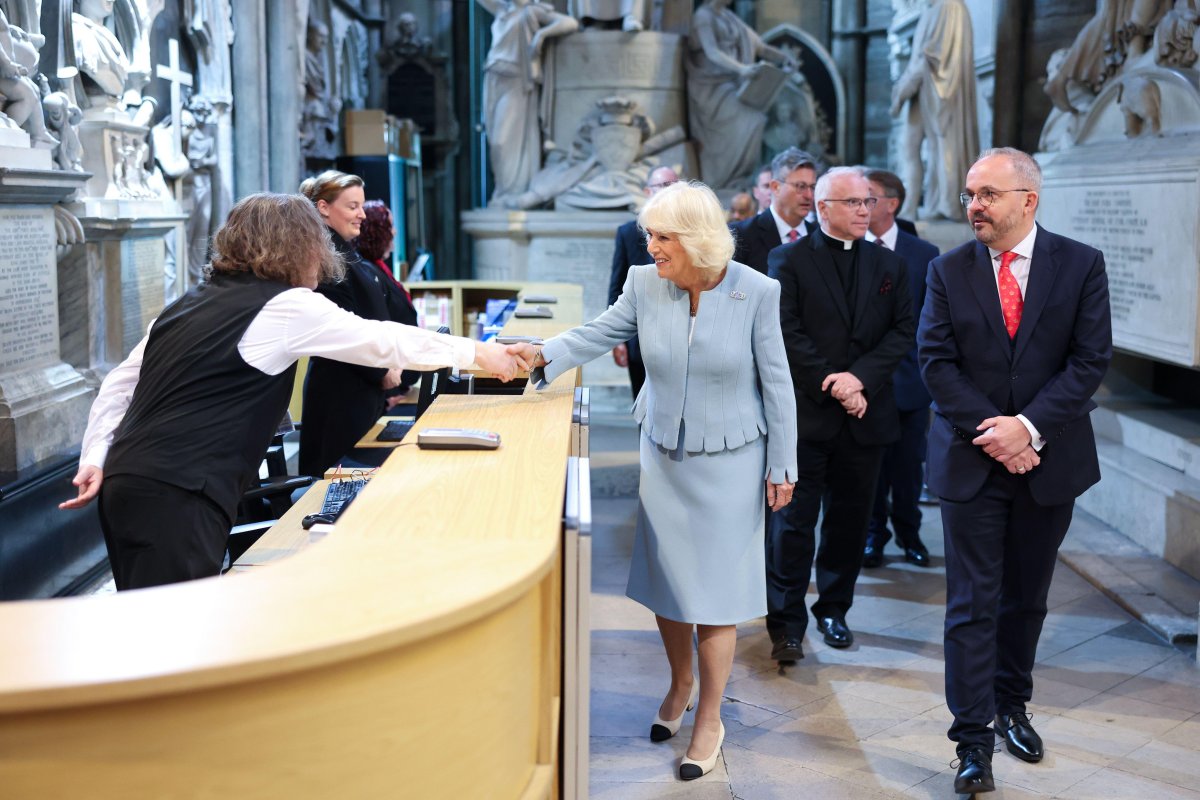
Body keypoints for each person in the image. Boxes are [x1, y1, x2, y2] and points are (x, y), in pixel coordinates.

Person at [59, 193, 526, 591]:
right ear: (301, 246)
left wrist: (96, 456)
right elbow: (383, 339)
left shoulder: (187, 303)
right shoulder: (286, 307)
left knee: (152, 636)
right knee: (176, 650)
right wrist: (482, 355)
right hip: (181, 494)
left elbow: (119, 385)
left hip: (126, 486)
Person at [524, 182, 797, 781]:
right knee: (670, 579)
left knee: (716, 593)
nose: (650, 247)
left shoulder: (757, 291)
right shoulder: (644, 283)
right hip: (663, 452)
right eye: (649, 234)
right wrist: (538, 352)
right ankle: (679, 685)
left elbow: (777, 382)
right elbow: (600, 332)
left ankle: (711, 718)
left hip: (732, 456)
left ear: (696, 239)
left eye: (662, 236)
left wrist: (784, 464)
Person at [918, 148, 1112, 794]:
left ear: (1028, 200)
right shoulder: (948, 271)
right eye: (971, 192)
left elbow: (1088, 362)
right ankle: (972, 743)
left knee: (1026, 599)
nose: (974, 204)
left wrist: (1026, 429)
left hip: (1049, 459)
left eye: (989, 193)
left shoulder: (1081, 265)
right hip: (970, 459)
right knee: (971, 606)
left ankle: (1012, 706)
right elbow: (936, 363)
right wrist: (996, 433)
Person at [765, 167, 915, 662]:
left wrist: (859, 380)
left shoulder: (888, 264)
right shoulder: (787, 259)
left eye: (867, 202)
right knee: (793, 524)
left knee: (850, 522)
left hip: (865, 414)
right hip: (807, 415)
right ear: (823, 207)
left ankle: (834, 610)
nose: (862, 211)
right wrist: (832, 380)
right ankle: (786, 623)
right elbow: (786, 333)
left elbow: (902, 330)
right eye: (851, 202)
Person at [297, 172, 405, 476]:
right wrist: (381, 370)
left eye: (361, 205)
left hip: (362, 390)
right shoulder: (324, 258)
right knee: (334, 487)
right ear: (324, 207)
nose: (362, 214)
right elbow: (339, 331)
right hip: (341, 395)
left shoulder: (346, 250)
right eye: (352, 206)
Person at [861, 169, 940, 569]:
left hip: (909, 383)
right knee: (870, 471)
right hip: (863, 385)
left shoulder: (923, 255)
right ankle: (874, 535)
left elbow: (933, 322)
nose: (861, 203)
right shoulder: (850, 248)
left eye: (868, 196)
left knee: (909, 468)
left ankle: (910, 533)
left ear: (891, 203)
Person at [476, 0, 579, 205]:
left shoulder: (531, 10)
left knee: (503, 140)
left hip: (516, 79)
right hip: (493, 77)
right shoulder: (503, 10)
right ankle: (503, 191)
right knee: (493, 137)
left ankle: (513, 192)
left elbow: (570, 23)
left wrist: (541, 34)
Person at [687, 0, 795, 191]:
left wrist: (784, 58)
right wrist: (741, 69)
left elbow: (760, 47)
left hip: (732, 83)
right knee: (751, 118)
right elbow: (712, 52)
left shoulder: (729, 17)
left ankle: (738, 178)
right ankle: (721, 180)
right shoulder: (702, 16)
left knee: (757, 119)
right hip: (711, 87)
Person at [890, 0, 979, 221]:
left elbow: (930, 60)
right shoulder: (932, 12)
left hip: (940, 93)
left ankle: (945, 205)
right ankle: (909, 208)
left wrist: (901, 92)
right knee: (908, 147)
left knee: (943, 147)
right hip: (923, 91)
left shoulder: (949, 8)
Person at [607, 165, 679, 401]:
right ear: (648, 191)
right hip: (639, 337)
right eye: (663, 186)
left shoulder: (690, 233)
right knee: (643, 406)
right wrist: (617, 340)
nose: (669, 192)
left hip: (677, 338)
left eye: (673, 186)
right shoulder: (628, 233)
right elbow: (617, 288)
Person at [357, 199, 422, 407]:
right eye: (389, 226)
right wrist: (392, 390)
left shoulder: (377, 267)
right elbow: (380, 331)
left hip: (399, 385)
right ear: (375, 231)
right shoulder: (367, 271)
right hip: (389, 390)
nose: (394, 232)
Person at [731, 147, 818, 275]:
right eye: (801, 186)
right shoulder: (741, 235)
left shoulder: (819, 237)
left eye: (812, 187)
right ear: (776, 187)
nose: (809, 195)